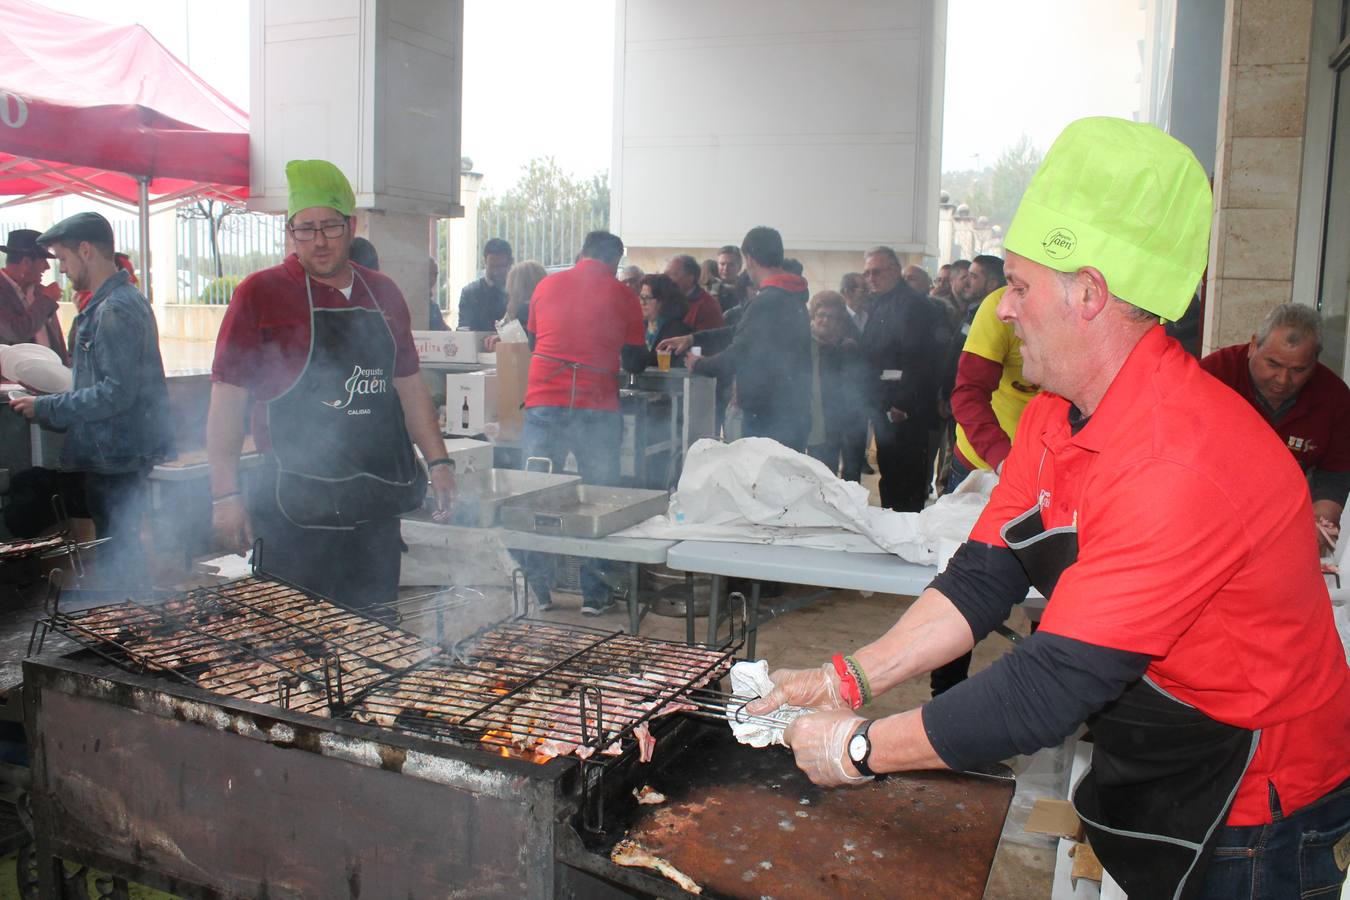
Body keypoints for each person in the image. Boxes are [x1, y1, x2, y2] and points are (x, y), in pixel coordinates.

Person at [749, 117, 1350, 900]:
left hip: (1256, 800)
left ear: (1089, 295)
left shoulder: (1183, 460)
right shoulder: (1053, 413)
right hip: (1163, 749)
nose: (1002, 309)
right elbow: (979, 581)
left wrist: (859, 750)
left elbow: (1049, 688)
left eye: (1021, 287)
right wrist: (848, 678)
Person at [207, 159, 454, 610]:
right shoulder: (260, 294)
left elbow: (409, 385)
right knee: (297, 643)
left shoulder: (384, 293)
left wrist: (438, 461)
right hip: (294, 508)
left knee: (376, 635)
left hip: (373, 506)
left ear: (352, 227)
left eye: (330, 227)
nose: (318, 240)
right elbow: (226, 401)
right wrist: (225, 495)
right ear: (290, 232)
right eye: (305, 229)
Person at [9, 212, 173, 588]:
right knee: (121, 551)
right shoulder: (112, 303)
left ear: (85, 250)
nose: (62, 270)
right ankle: (130, 617)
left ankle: (129, 624)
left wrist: (46, 406)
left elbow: (116, 393)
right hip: (114, 453)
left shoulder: (114, 309)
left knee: (122, 557)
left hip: (116, 455)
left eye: (63, 259)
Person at [521, 230, 647, 614]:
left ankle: (537, 589)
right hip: (596, 406)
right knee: (599, 497)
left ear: (580, 254)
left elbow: (533, 341)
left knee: (536, 497)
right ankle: (596, 593)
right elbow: (637, 361)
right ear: (614, 262)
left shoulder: (546, 284)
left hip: (544, 402)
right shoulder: (624, 295)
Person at [929, 284, 1040, 696]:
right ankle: (946, 690)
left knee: (1052, 582)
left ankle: (1038, 688)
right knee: (963, 578)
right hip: (981, 463)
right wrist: (1002, 457)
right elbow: (969, 393)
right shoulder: (999, 309)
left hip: (1048, 468)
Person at [1200, 303, 1350, 548]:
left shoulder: (1334, 397)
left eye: (1298, 370)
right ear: (1253, 345)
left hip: (1285, 516)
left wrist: (1323, 519)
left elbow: (1335, 473)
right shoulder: (1212, 376)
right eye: (1273, 364)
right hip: (1211, 507)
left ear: (1315, 361)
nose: (1283, 379)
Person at [659, 226, 812, 450]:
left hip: (769, 414)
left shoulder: (768, 302)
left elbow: (739, 354)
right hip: (791, 409)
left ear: (749, 259)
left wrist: (699, 364)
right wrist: (693, 339)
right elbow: (740, 331)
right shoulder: (791, 296)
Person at [858, 245, 952, 511]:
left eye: (877, 272)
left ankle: (906, 532)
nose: (871, 278)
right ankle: (892, 529)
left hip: (905, 408)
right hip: (883, 402)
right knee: (889, 473)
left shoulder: (913, 305)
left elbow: (920, 359)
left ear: (895, 270)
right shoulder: (881, 303)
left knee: (907, 477)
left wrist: (903, 402)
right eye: (867, 273)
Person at [805, 291, 868, 481]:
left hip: (848, 421)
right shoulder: (804, 345)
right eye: (820, 315)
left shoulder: (850, 347)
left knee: (851, 478)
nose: (824, 321)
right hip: (817, 421)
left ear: (840, 321)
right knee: (822, 477)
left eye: (830, 317)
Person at [0, 228, 66, 362]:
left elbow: (57, 341)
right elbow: (15, 332)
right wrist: (46, 299)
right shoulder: (44, 297)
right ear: (26, 263)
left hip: (51, 378)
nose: (47, 267)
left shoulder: (40, 292)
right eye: (43, 261)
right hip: (14, 381)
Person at [457, 237, 512, 331]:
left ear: (510, 262)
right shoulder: (470, 293)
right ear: (485, 262)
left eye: (501, 266)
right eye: (492, 266)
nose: (496, 272)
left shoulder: (518, 291)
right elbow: (464, 329)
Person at [638, 274, 691, 367]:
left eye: (647, 298)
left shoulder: (678, 331)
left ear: (663, 300)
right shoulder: (639, 327)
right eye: (641, 297)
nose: (642, 302)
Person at [665, 253, 724, 332]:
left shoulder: (707, 305)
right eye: (666, 274)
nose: (667, 279)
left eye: (673, 274)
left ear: (690, 277)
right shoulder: (665, 300)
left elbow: (709, 340)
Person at [714, 245, 747, 312]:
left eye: (731, 264)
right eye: (722, 264)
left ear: (739, 266)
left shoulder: (747, 289)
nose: (726, 268)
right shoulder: (710, 288)